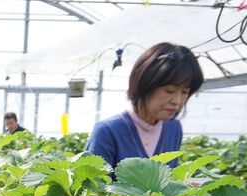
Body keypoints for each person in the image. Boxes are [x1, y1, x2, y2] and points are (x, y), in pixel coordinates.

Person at [86, 42, 204, 170]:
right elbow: (94, 187)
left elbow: (171, 179)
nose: (177, 101)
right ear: (145, 85)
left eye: (185, 92)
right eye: (169, 90)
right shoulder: (108, 131)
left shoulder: (173, 128)